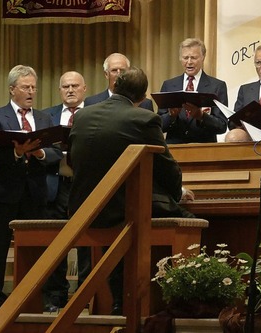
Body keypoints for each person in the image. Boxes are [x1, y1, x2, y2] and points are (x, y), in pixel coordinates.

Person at [68, 66, 194, 315]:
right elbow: (166, 168)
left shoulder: (83, 116)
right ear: (143, 97)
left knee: (120, 228)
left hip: (85, 208)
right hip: (122, 208)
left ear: (114, 87)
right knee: (190, 221)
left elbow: (74, 162)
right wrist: (178, 192)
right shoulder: (143, 118)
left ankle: (118, 302)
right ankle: (177, 304)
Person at [0, 65, 63, 312]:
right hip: (3, 193)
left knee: (38, 247)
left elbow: (56, 152)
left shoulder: (44, 118)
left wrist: (39, 153)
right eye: (25, 87)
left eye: (33, 87)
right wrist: (17, 151)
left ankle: (37, 295)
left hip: (35, 193)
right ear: (12, 89)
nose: (30, 92)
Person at [40, 71, 87, 312]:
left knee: (87, 241)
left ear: (84, 89)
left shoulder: (93, 113)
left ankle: (86, 291)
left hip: (86, 185)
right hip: (55, 185)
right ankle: (56, 294)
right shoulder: (47, 115)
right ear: (59, 90)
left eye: (75, 86)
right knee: (55, 241)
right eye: (65, 86)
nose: (70, 90)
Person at [158, 38, 228, 143]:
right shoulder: (168, 85)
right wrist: (171, 115)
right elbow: (159, 125)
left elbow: (222, 126)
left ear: (203, 57)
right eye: (185, 57)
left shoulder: (217, 86)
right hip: (175, 148)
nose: (189, 62)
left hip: (204, 149)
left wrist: (201, 116)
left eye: (194, 58)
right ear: (180, 59)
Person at [84, 52, 153, 111]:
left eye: (122, 70)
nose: (118, 74)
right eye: (114, 70)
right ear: (106, 74)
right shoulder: (92, 102)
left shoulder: (144, 104)